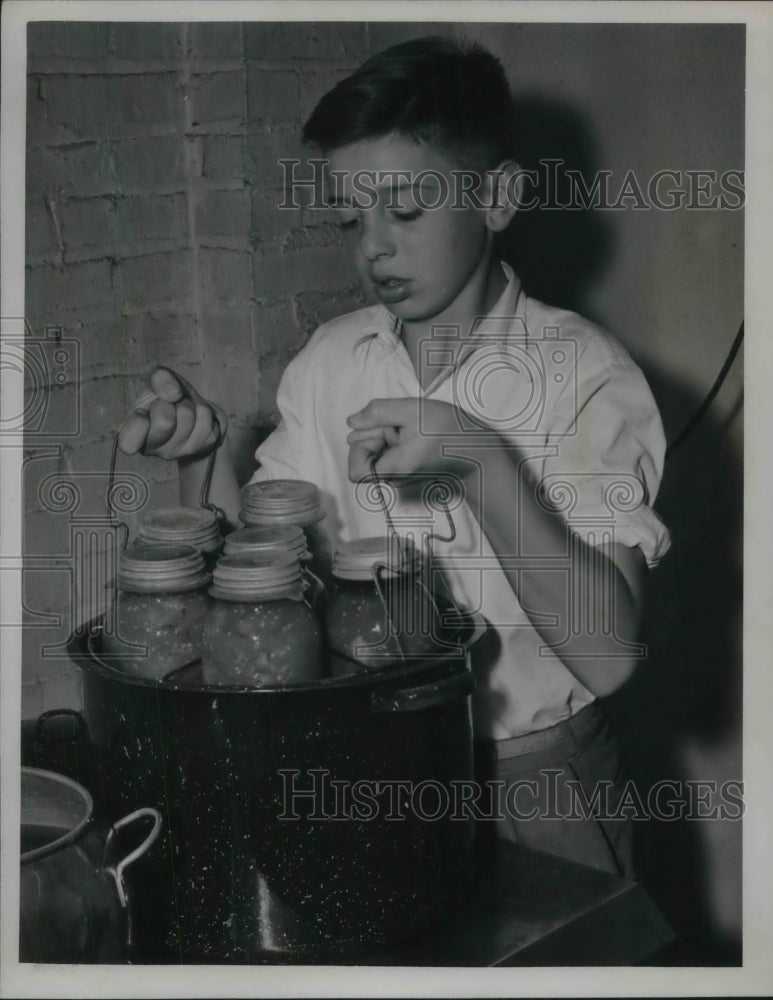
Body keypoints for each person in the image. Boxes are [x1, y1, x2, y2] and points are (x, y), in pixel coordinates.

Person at [118, 36, 670, 879]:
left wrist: (477, 460)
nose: (372, 246)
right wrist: (200, 462)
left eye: (405, 210)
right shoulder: (331, 362)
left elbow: (608, 656)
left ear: (497, 197)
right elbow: (269, 576)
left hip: (536, 782)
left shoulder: (583, 373)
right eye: (350, 217)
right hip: (368, 769)